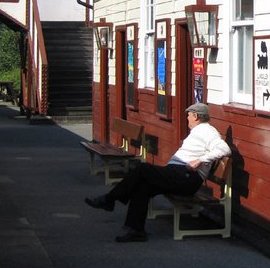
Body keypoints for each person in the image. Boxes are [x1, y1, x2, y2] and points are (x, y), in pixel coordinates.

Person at [85, 103, 232, 242]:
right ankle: (136, 231)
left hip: (187, 178)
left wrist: (200, 160)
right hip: (177, 174)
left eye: (189, 115)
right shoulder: (198, 131)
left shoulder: (208, 131)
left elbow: (224, 149)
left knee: (143, 169)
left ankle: (109, 199)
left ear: (196, 116)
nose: (187, 117)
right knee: (143, 186)